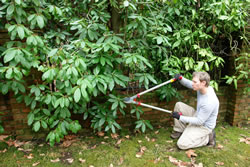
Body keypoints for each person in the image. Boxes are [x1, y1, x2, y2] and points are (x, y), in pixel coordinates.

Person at [171, 72, 219, 150]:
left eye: (195, 82)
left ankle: (207, 138)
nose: (192, 84)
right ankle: (179, 131)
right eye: (193, 81)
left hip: (203, 126)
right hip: (198, 115)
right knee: (179, 105)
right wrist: (180, 78)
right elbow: (189, 84)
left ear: (203, 83)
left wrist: (180, 117)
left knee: (181, 144)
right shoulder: (203, 87)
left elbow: (199, 121)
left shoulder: (209, 101)